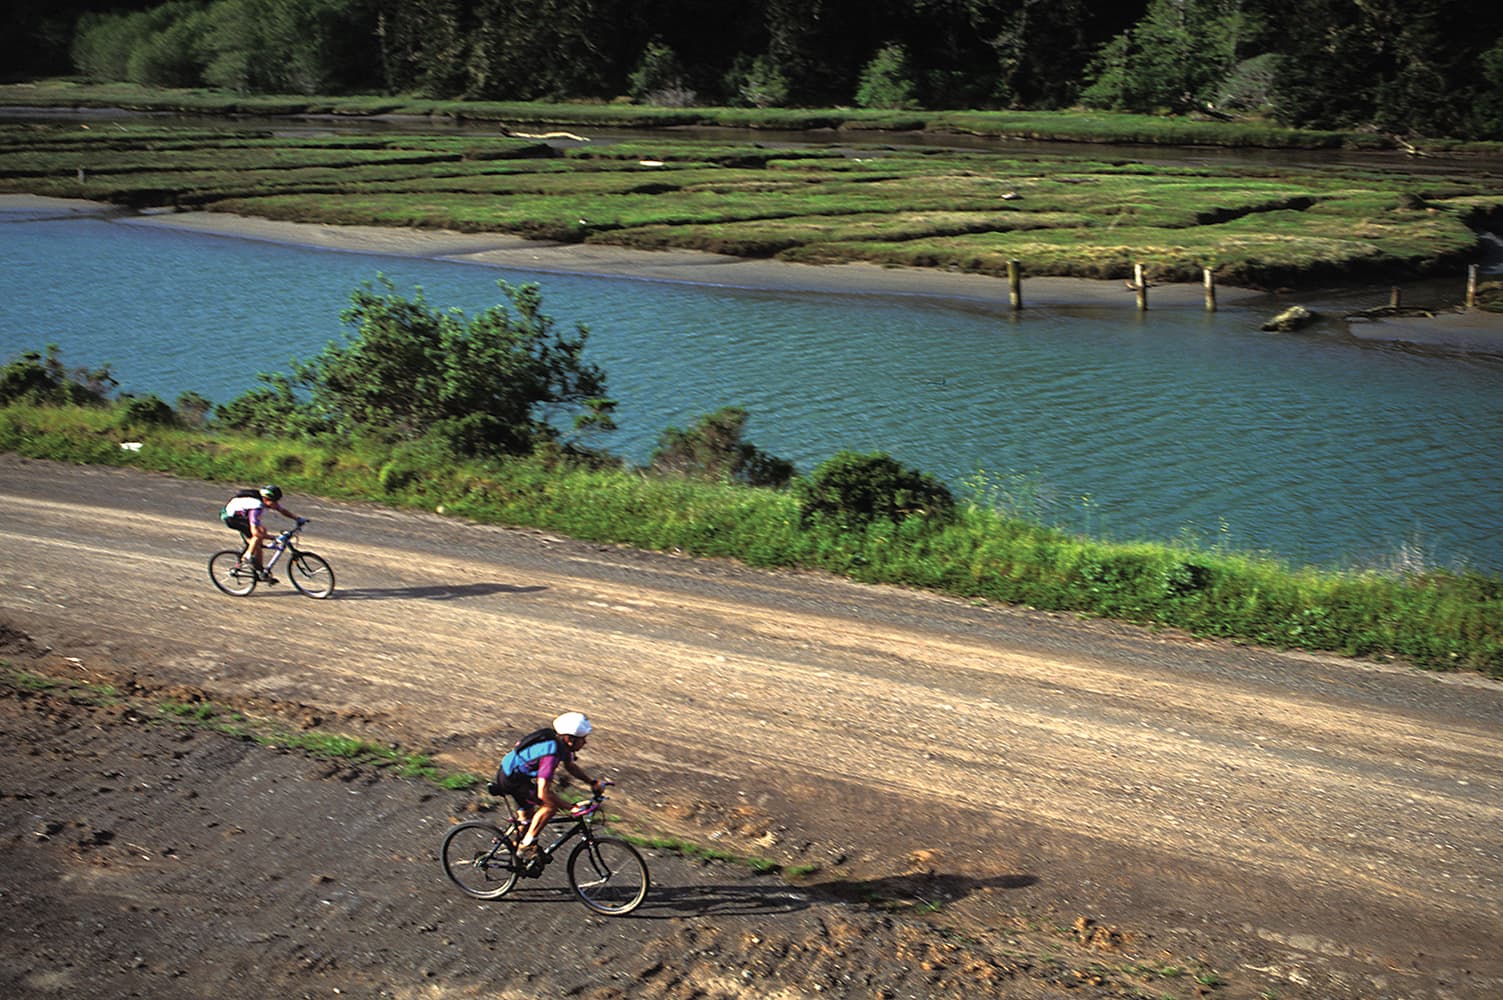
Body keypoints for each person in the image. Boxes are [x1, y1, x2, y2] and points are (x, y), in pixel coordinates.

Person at [490, 712, 605, 864]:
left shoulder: (561, 744)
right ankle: (526, 846)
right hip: (512, 780)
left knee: (527, 821)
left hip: (517, 776)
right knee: (550, 806)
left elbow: (571, 766)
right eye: (583, 739)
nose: (585, 743)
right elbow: (543, 792)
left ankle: (515, 850)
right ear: (570, 739)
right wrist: (571, 807)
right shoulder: (551, 755)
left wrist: (592, 782)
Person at [220, 484, 305, 583]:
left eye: (276, 501)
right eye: (273, 501)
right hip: (232, 518)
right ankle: (247, 556)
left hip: (240, 514)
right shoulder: (256, 507)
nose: (275, 504)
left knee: (260, 540)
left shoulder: (265, 500)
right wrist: (274, 538)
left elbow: (282, 510)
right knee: (258, 534)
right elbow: (255, 531)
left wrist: (297, 518)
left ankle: (261, 572)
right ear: (265, 499)